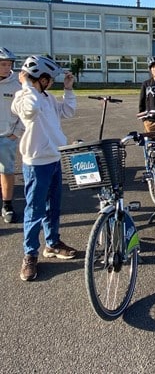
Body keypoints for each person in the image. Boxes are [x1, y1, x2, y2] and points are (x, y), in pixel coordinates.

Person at [11, 55, 77, 281]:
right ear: (42, 78)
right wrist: (26, 85)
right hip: (36, 162)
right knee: (34, 210)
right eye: (51, 79)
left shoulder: (46, 97)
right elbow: (30, 111)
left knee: (53, 207)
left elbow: (68, 112)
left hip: (54, 159)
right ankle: (30, 254)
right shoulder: (23, 97)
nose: (53, 83)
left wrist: (68, 90)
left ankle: (52, 243)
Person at [0, 47, 24, 223]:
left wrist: (15, 133)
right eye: (3, 64)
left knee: (6, 171)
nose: (6, 68)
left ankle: (7, 205)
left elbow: (25, 112)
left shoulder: (17, 85)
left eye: (9, 64)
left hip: (6, 137)